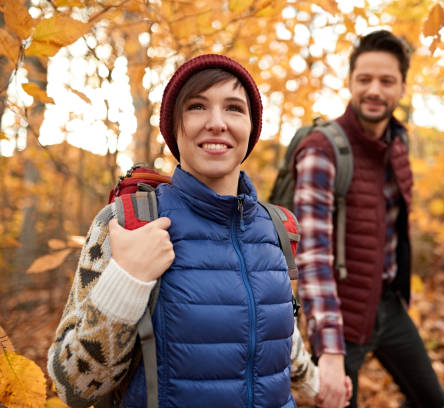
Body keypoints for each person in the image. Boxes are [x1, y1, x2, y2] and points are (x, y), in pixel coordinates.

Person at [47, 54, 326, 408]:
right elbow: (73, 385)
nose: (216, 123)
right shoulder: (125, 223)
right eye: (197, 106)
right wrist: (127, 281)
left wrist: (321, 388)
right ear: (174, 126)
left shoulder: (278, 228)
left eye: (234, 108)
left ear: (251, 128)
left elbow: (283, 342)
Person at [292, 30, 444, 408]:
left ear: (402, 87)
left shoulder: (398, 141)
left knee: (432, 399)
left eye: (386, 81)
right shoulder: (321, 150)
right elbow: (312, 258)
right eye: (364, 79)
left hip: (388, 304)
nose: (374, 90)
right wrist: (329, 349)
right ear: (349, 82)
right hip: (340, 317)